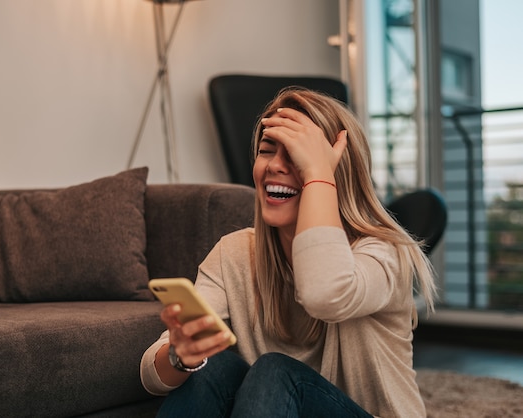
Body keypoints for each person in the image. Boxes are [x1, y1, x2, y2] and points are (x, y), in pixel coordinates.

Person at [140, 87, 437, 417]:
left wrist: (318, 177)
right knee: (209, 366)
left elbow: (324, 293)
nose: (275, 167)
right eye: (267, 151)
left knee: (275, 373)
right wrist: (180, 356)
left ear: (335, 173)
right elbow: (152, 376)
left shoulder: (385, 254)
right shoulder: (234, 253)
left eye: (297, 156)